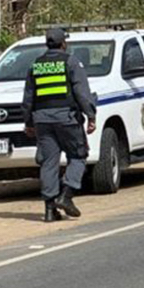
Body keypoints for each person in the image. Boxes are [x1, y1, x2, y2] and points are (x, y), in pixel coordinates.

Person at [22, 28, 96, 222]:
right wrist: (91, 115)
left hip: (42, 121)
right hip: (68, 119)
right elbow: (81, 93)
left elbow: (28, 98)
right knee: (78, 156)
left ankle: (49, 210)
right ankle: (66, 196)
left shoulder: (35, 65)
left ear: (47, 43)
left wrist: (28, 122)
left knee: (48, 163)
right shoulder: (71, 62)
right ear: (64, 43)